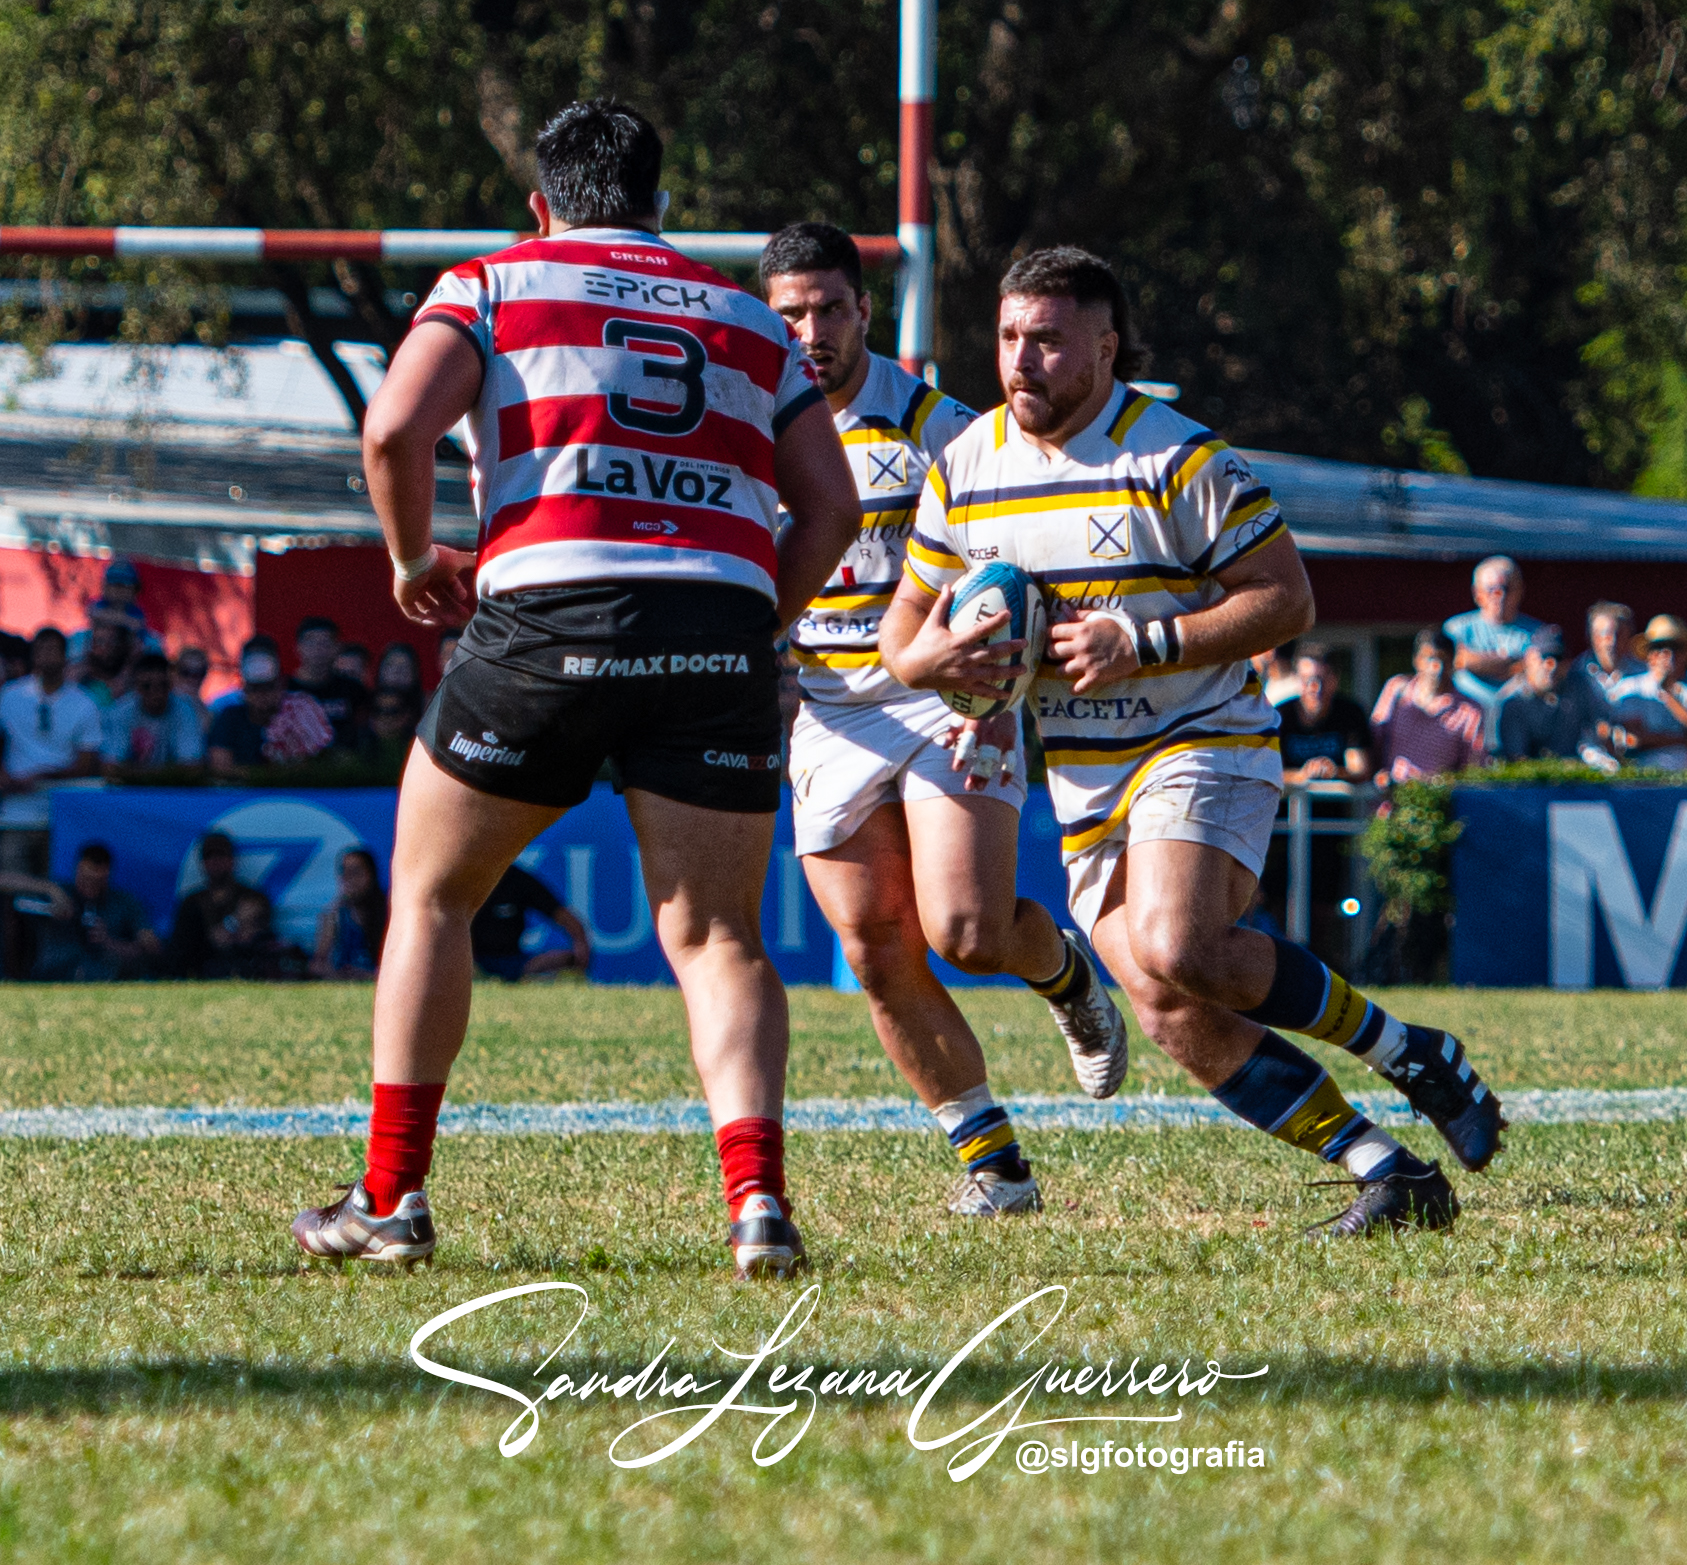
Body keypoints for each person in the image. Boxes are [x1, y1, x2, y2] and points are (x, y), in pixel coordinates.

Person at [290, 99, 858, 1277]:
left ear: (542, 205)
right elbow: (832, 510)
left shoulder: (493, 284)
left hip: (546, 616)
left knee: (436, 896)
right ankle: (758, 1207)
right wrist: (761, 622)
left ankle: (390, 1199)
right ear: (660, 203)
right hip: (714, 627)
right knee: (717, 938)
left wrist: (409, 563)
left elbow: (396, 429)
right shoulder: (749, 320)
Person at [881, 245, 1503, 1239]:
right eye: (1007, 338)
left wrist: (1145, 640)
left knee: (1178, 943)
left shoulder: (1178, 457)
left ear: (1104, 343)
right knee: (1171, 1007)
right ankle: (1387, 1166)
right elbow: (902, 636)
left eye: (1046, 339)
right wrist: (952, 668)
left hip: (1201, 737)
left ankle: (1400, 1052)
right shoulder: (965, 469)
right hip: (1085, 778)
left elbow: (1287, 599)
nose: (1020, 361)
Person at [763, 221, 1125, 1219]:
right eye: (789, 312)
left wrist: (999, 695)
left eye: (829, 307)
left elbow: (1020, 571)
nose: (810, 330)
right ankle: (995, 1166)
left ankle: (1065, 978)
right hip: (830, 714)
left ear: (864, 310)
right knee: (877, 947)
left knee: (964, 931)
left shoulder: (941, 429)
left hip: (943, 698)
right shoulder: (746, 430)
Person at [0, 628, 103, 875]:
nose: (46, 656)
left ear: (65, 656)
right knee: (12, 890)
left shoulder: (83, 703)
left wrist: (40, 777)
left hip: (62, 815)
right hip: (16, 814)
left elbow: (87, 764)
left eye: (52, 650)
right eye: (41, 650)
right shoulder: (9, 697)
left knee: (56, 891)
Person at [1370, 629, 1488, 784]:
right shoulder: (1396, 690)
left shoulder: (1470, 710)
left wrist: (1432, 781)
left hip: (1437, 800)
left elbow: (1473, 770)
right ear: (1416, 660)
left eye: (1443, 660)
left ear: (1453, 663)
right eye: (1430, 659)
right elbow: (1373, 741)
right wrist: (1380, 775)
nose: (1436, 668)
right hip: (1390, 798)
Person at [31, 841, 161, 981]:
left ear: (108, 874)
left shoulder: (124, 903)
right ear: (77, 869)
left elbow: (150, 949)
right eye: (86, 879)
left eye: (97, 881)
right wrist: (50, 889)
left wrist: (107, 941)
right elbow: (5, 881)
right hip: (56, 975)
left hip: (105, 976)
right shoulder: (59, 893)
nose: (90, 886)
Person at [208, 639, 334, 775]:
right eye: (255, 689)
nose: (262, 695)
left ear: (281, 685)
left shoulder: (302, 710)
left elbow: (322, 761)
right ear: (244, 690)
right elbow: (220, 766)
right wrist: (267, 775)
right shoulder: (230, 717)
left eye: (268, 687)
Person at [1443, 556, 1541, 730]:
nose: (1499, 595)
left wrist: (1478, 662)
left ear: (1520, 590)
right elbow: (1460, 660)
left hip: (1519, 730)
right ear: (1477, 593)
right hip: (1467, 728)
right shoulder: (1456, 629)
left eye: (1506, 588)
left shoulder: (1538, 632)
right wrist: (1515, 663)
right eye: (1491, 589)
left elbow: (1539, 672)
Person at [167, 830, 276, 979]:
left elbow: (258, 940)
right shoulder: (192, 903)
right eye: (209, 857)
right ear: (202, 863)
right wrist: (236, 921)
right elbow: (188, 948)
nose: (216, 862)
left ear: (232, 859)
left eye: (221, 856)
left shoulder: (254, 898)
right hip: (202, 973)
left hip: (247, 971)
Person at [1497, 626, 1610, 763]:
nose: (1552, 665)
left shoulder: (1580, 686)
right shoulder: (1512, 700)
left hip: (1576, 778)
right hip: (1529, 781)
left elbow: (1602, 729)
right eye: (1545, 657)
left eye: (1559, 658)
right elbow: (1517, 760)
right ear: (1528, 659)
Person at [470, 864, 592, 980]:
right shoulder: (465, 880)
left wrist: (580, 943)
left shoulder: (517, 879)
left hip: (517, 962)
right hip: (472, 962)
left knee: (566, 960)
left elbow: (563, 915)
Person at [1276, 643, 1373, 783]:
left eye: (1322, 679)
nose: (1315, 687)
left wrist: (1334, 772)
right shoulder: (1279, 716)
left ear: (1335, 679)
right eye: (1307, 680)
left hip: (1337, 803)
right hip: (1291, 804)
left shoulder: (1351, 713)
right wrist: (1303, 775)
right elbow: (1266, 774)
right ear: (1296, 679)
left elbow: (1360, 770)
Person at [101, 651, 206, 772]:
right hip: (130, 789)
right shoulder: (119, 713)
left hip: (172, 789)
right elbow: (111, 766)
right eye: (147, 686)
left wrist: (138, 772)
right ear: (136, 687)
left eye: (163, 685)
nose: (156, 692)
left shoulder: (186, 712)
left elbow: (192, 766)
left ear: (171, 685)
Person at [1608, 615, 1687, 770]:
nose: (1667, 654)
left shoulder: (1684, 689)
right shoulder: (1630, 687)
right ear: (1649, 653)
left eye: (1675, 647)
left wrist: (1669, 696)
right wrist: (1682, 740)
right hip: (1646, 772)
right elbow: (1635, 738)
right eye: (1658, 647)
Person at [290, 617, 369, 750]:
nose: (318, 649)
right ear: (298, 647)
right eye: (311, 643)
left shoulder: (353, 689)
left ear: (337, 647)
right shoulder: (285, 691)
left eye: (325, 643)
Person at [312, 848, 389, 978]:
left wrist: (369, 975)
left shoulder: (389, 911)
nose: (348, 878)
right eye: (344, 872)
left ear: (371, 874)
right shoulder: (334, 914)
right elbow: (317, 964)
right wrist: (337, 975)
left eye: (355, 872)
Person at [1575, 601, 1643, 700]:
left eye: (1619, 633)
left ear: (1628, 635)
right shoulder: (1576, 676)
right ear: (1592, 637)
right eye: (1605, 634)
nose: (1612, 642)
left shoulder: (1642, 676)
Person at [75, 616, 134, 710]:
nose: (107, 647)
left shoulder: (135, 685)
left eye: (113, 641)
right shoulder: (75, 683)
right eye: (100, 642)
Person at [374, 642, 426, 709]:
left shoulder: (428, 707)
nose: (397, 672)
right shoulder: (365, 708)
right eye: (391, 666)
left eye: (404, 667)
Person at [172, 646, 212, 725]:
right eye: (186, 672)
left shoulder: (205, 710)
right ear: (176, 672)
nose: (192, 679)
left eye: (200, 672)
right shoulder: (165, 705)